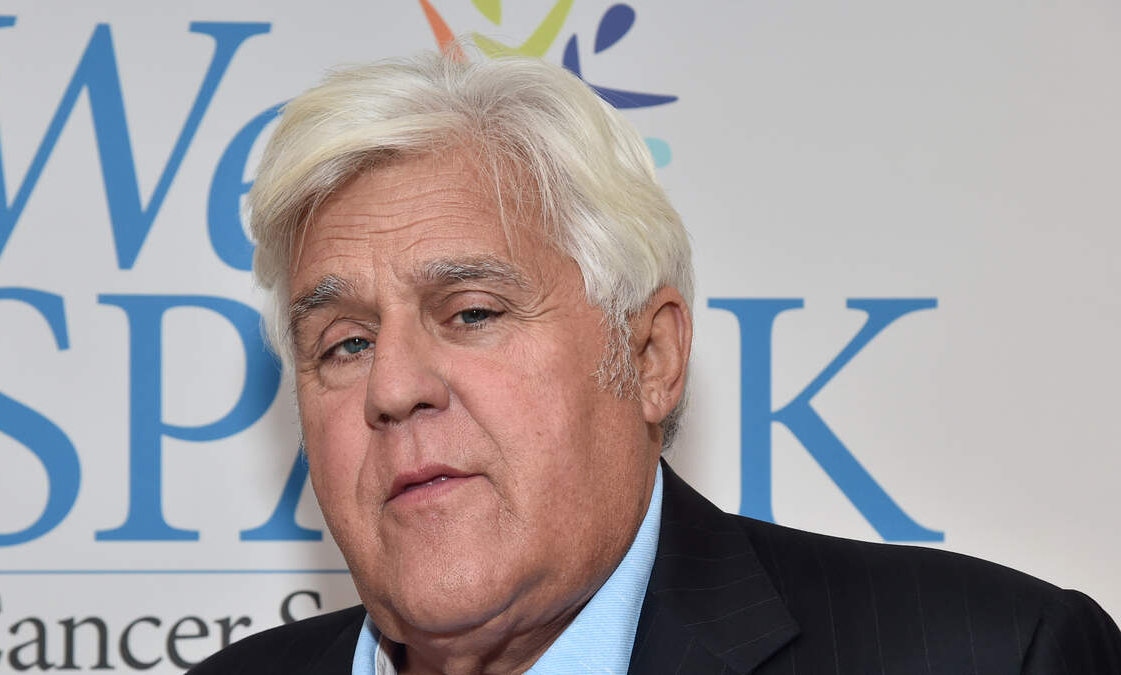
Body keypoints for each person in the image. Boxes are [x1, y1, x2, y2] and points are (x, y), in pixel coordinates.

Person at [189, 52, 1121, 674]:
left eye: (471, 312)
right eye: (345, 344)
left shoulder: (992, 655)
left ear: (649, 356)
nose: (393, 387)